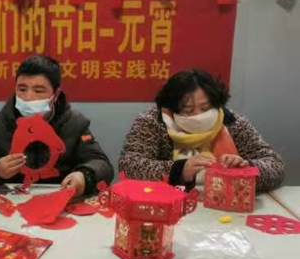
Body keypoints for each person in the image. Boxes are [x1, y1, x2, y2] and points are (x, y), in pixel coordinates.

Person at [0, 55, 113, 196]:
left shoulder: (75, 124)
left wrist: (84, 177)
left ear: (55, 95)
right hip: (11, 202)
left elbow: (102, 165)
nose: (28, 97)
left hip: (59, 202)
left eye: (38, 91)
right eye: (22, 89)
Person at [119, 69, 285, 192]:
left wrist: (247, 168)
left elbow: (275, 164)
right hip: (167, 204)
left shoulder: (231, 121)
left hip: (226, 204)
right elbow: (129, 165)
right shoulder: (154, 121)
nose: (198, 116)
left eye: (205, 108)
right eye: (188, 110)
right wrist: (179, 170)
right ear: (171, 109)